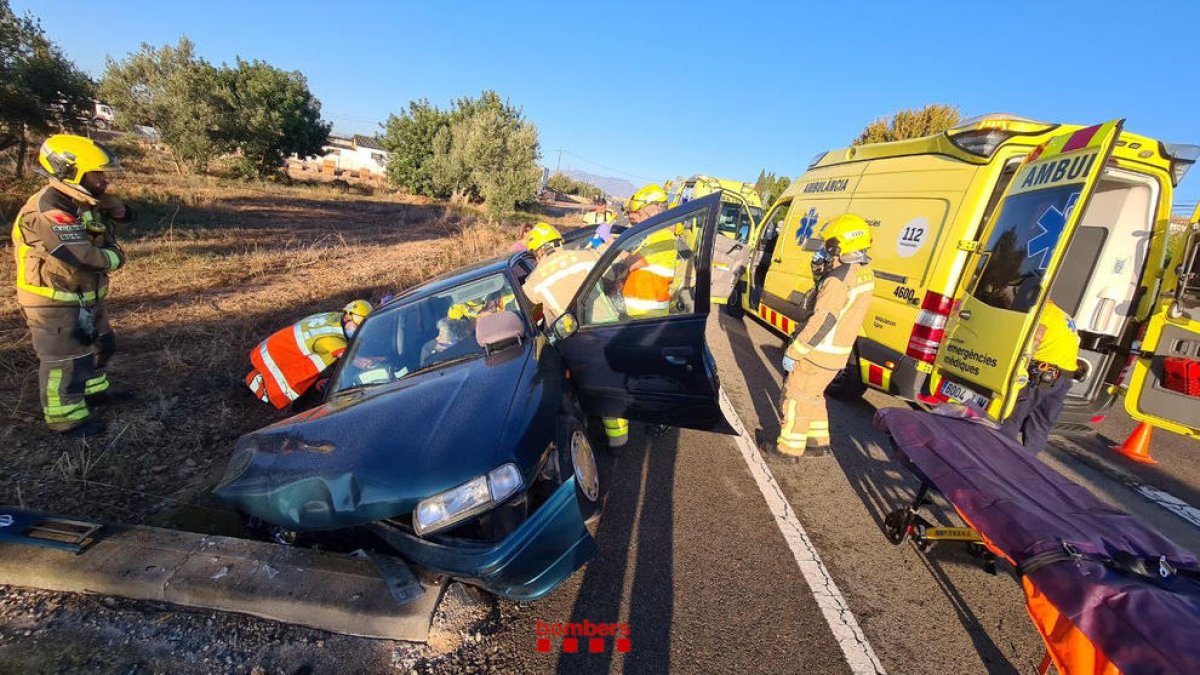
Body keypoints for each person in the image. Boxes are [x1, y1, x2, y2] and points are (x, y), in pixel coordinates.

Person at [12, 134, 134, 437]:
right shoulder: (49, 209)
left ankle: (92, 392)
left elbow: (120, 215)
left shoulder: (80, 200)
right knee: (65, 361)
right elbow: (80, 254)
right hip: (54, 301)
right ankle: (67, 419)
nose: (103, 181)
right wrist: (116, 258)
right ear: (71, 172)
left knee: (100, 346)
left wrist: (119, 211)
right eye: (97, 174)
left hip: (82, 296)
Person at [774, 214, 875, 460]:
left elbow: (823, 320)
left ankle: (788, 449)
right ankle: (818, 440)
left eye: (829, 244)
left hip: (818, 353)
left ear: (842, 245)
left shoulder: (837, 279)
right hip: (837, 354)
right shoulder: (864, 271)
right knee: (814, 395)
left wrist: (795, 351)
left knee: (797, 396)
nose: (825, 249)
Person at [521, 222, 630, 448]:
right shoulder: (585, 257)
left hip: (574, 340)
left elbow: (535, 318)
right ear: (558, 241)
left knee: (591, 385)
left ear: (538, 251)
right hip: (606, 327)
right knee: (612, 384)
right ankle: (618, 440)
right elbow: (617, 269)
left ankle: (604, 435)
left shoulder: (532, 283)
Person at [246, 300, 373, 409]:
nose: (358, 330)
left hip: (278, 347)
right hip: (277, 356)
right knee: (281, 384)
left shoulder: (338, 318)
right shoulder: (329, 339)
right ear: (347, 318)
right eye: (356, 326)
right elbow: (352, 359)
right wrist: (376, 362)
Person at [1000, 300, 1080, 454]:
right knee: (1039, 426)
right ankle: (1027, 465)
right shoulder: (1063, 315)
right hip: (1064, 378)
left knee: (1012, 417)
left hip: (1043, 375)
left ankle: (1000, 458)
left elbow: (1034, 341)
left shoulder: (1041, 313)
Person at [620, 184, 677, 318]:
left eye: (640, 213)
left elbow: (633, 263)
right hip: (637, 314)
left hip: (648, 316)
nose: (638, 218)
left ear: (655, 212)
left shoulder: (664, 237)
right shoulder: (652, 236)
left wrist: (609, 243)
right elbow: (640, 271)